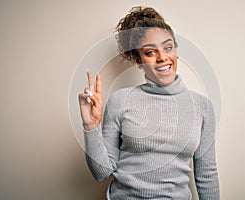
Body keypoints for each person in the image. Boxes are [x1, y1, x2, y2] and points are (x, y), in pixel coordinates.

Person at [78, 6, 220, 200]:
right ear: (139, 60)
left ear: (175, 51)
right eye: (150, 52)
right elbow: (102, 173)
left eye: (168, 47)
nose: (162, 57)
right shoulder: (120, 101)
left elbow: (207, 175)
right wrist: (90, 126)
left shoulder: (202, 107)